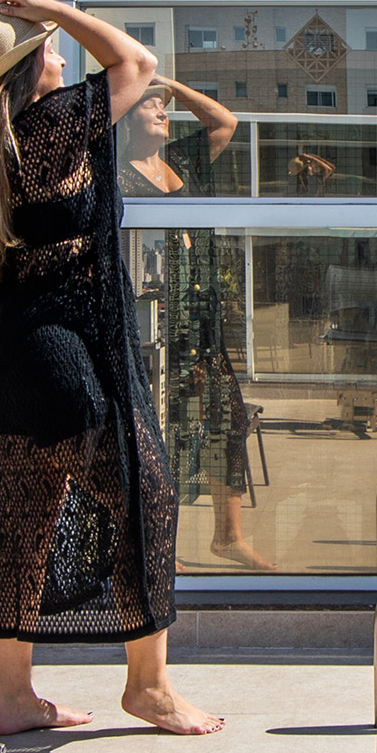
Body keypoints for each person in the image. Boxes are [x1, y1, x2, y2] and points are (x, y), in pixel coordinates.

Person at [0, 0, 222, 737]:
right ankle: (148, 687)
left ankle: (13, 699)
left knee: (21, 522)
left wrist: (45, 18)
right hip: (54, 352)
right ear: (29, 68)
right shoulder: (51, 123)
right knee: (146, 496)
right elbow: (136, 61)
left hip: (2, 349)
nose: (62, 53)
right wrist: (52, 4)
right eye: (49, 45)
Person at [121, 77, 281, 572]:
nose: (162, 110)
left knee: (227, 422)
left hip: (201, 321)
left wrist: (169, 84)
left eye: (164, 105)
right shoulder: (118, 174)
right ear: (126, 116)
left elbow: (225, 121)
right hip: (157, 327)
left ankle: (226, 537)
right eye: (150, 104)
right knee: (163, 433)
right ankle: (155, 545)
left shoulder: (184, 160)